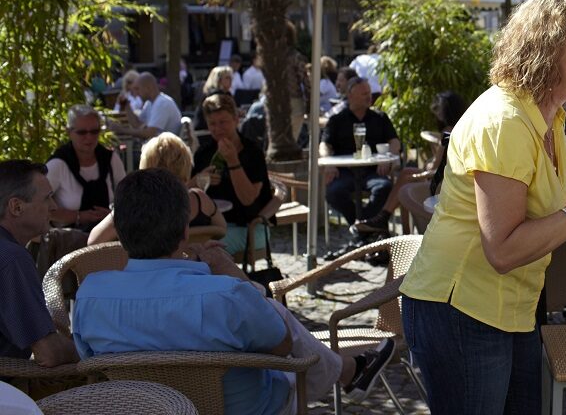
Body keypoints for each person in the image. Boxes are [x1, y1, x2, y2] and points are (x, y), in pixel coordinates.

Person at [399, 0, 566, 413]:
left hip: (512, 310)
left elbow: (545, 203)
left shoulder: (549, 116)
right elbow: (503, 249)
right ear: (548, 43)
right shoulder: (506, 120)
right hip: (461, 312)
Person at [72, 169, 395, 414]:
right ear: (186, 230)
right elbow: (282, 345)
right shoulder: (225, 294)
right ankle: (346, 371)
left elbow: (92, 364)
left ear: (121, 234)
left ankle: (348, 370)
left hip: (141, 409)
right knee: (273, 323)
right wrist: (228, 271)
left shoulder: (89, 297)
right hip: (244, 409)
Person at [0, 160, 78, 367]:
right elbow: (49, 353)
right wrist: (90, 350)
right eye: (47, 198)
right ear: (16, 207)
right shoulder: (11, 258)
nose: (54, 206)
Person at [355, 91, 467, 235]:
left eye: (438, 109)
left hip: (442, 184)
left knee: (405, 182)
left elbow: (434, 166)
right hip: (449, 178)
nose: (435, 113)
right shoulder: (462, 127)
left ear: (445, 111)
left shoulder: (448, 132)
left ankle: (388, 221)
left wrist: (428, 165)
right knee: (406, 173)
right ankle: (384, 218)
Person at [88, 132, 225, 245]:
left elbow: (94, 241)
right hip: (196, 272)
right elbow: (222, 229)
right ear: (187, 164)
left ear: (145, 166)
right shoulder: (200, 200)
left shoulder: (133, 205)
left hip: (145, 275)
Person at [193, 94, 274, 255]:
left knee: (206, 249)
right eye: (212, 124)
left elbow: (248, 199)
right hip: (212, 226)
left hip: (249, 226)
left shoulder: (252, 153)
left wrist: (233, 162)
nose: (217, 129)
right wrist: (199, 180)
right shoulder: (204, 153)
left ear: (236, 119)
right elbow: (188, 193)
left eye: (223, 122)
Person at [321, 78, 401, 241]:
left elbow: (395, 142)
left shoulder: (379, 117)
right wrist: (328, 163)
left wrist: (387, 159)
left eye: (369, 93)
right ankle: (364, 229)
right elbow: (324, 144)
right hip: (345, 172)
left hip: (372, 171)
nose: (369, 97)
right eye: (364, 93)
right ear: (350, 96)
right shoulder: (337, 120)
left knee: (384, 187)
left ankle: (362, 228)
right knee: (333, 192)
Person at [45, 105, 124, 231]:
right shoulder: (57, 164)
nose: (89, 137)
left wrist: (111, 215)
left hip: (107, 237)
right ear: (69, 132)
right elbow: (39, 208)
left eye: (94, 131)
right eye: (82, 132)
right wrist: (79, 216)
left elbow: (126, 199)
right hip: (68, 241)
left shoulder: (110, 159)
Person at [114, 72, 182, 139]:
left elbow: (149, 134)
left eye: (138, 89)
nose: (136, 93)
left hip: (167, 148)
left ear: (148, 88)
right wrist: (126, 105)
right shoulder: (150, 103)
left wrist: (122, 130)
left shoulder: (162, 103)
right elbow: (137, 124)